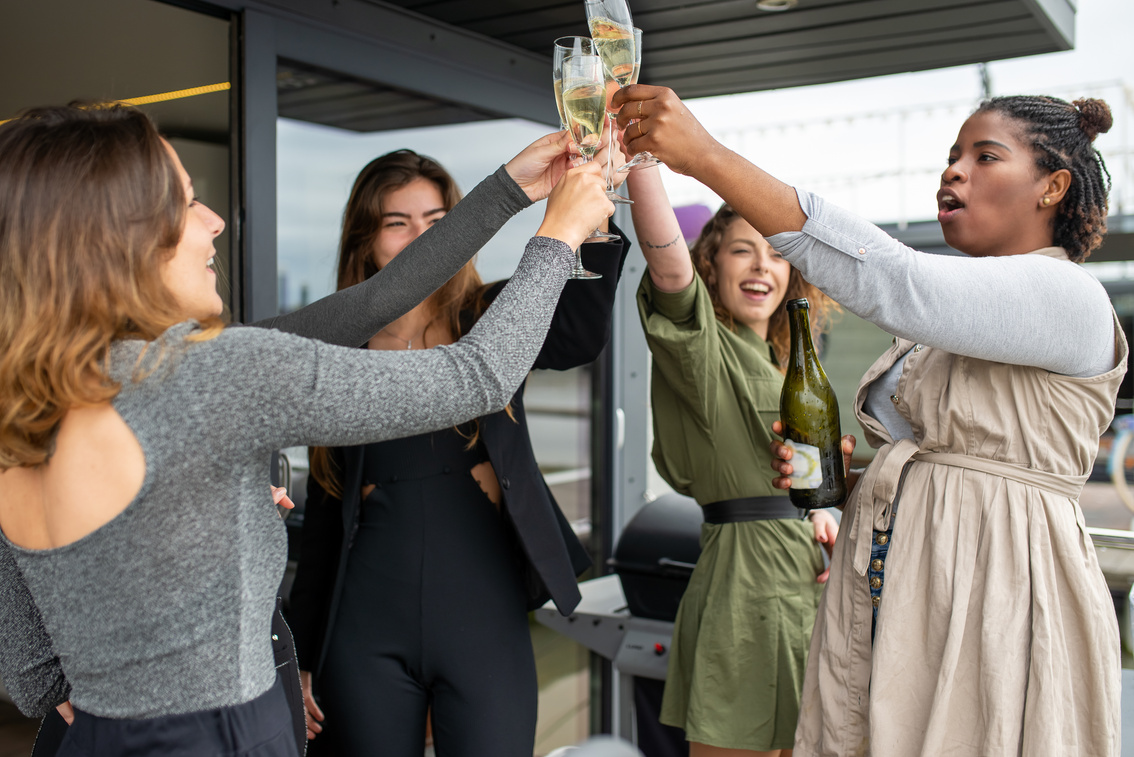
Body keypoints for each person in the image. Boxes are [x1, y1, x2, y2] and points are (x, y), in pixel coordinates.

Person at [0, 103, 613, 756]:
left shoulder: (22, 397)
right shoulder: (213, 373)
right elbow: (478, 377)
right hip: (219, 733)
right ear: (112, 238)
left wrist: (511, 187)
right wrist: (558, 235)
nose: (213, 222)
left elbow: (31, 657)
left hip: (91, 733)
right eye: (185, 204)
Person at [614, 84, 1123, 755]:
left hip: (1001, 592)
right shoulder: (950, 329)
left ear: (1052, 186)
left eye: (985, 155)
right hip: (917, 600)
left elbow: (896, 281)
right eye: (951, 154)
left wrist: (705, 156)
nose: (954, 169)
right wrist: (859, 482)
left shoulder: (1069, 297)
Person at [287, 145, 630, 757]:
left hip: (484, 615)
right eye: (398, 222)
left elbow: (578, 333)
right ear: (365, 241)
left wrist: (593, 216)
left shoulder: (491, 317)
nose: (420, 237)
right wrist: (304, 657)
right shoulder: (339, 350)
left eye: (437, 223)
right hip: (365, 626)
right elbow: (323, 518)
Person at [624, 161, 840, 757]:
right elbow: (667, 266)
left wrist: (822, 515)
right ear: (711, 265)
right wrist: (643, 159)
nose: (761, 266)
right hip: (745, 585)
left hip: (808, 585)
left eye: (775, 254)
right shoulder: (702, 348)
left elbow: (809, 481)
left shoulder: (783, 361)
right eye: (742, 251)